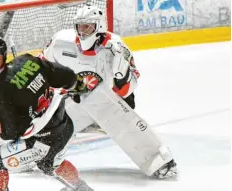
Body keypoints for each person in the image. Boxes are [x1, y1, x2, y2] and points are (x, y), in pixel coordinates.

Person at [38, 4, 177, 179]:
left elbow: (126, 91)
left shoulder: (116, 48)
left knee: (103, 102)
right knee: (47, 120)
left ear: (99, 27)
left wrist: (122, 74)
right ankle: (31, 156)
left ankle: (159, 161)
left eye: (87, 26)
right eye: (79, 26)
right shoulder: (60, 42)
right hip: (75, 101)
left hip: (108, 104)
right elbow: (42, 67)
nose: (82, 31)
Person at [0, 35, 95, 191]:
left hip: (41, 141)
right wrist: (77, 84)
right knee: (49, 164)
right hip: (64, 125)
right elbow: (64, 75)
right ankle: (80, 188)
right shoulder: (28, 61)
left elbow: (10, 133)